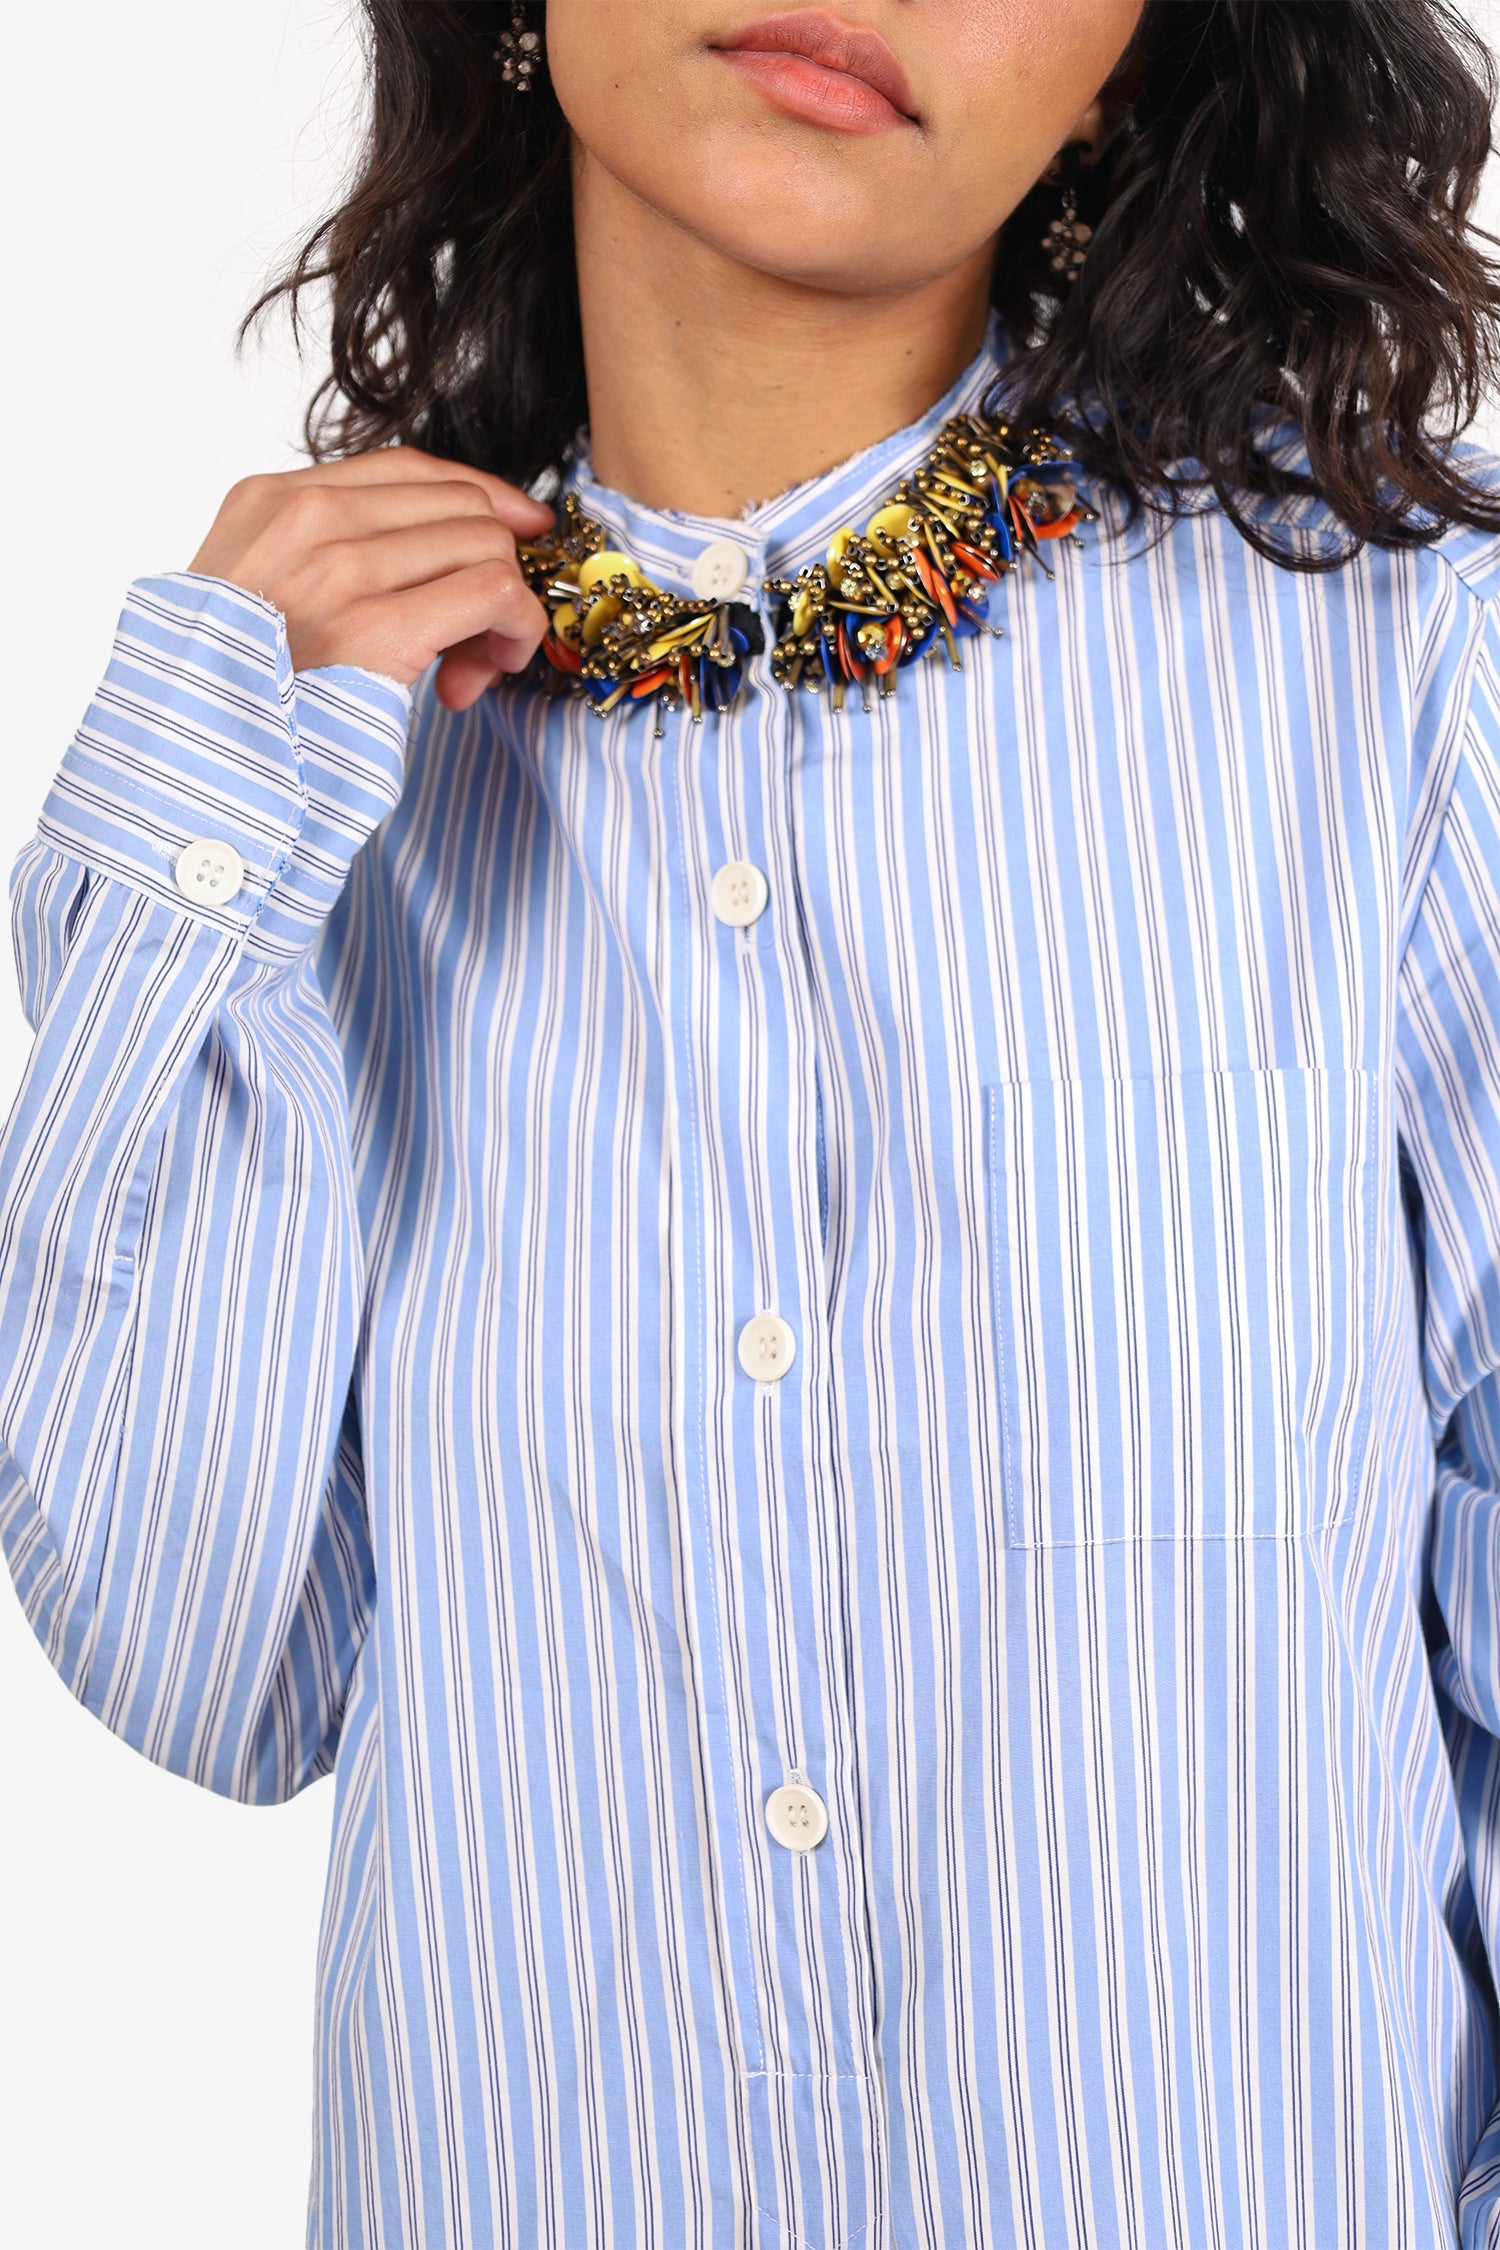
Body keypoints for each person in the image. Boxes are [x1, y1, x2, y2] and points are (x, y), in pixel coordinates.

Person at [4, 0, 1500, 2241]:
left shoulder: (1418, 679)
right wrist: (206, 809)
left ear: (1127, 61)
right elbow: (205, 1660)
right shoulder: (320, 760)